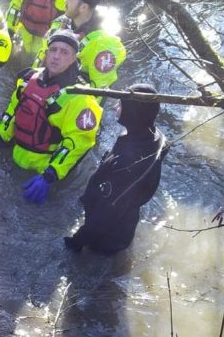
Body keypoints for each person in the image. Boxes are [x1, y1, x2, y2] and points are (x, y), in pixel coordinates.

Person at [0, 29, 102, 204]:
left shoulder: (81, 98)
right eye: (53, 49)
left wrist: (50, 176)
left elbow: (78, 142)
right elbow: (12, 111)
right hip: (16, 156)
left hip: (43, 173)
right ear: (47, 52)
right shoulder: (29, 78)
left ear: (74, 58)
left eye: (64, 52)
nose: (56, 56)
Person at [65, 84, 169, 254]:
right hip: (124, 218)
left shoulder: (129, 164)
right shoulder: (153, 136)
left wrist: (77, 241)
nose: (115, 107)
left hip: (107, 239)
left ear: (134, 113)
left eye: (121, 105)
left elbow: (108, 212)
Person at [32, 0, 126, 90]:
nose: (66, 1)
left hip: (68, 97)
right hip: (42, 86)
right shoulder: (60, 23)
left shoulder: (104, 44)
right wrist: (31, 80)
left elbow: (98, 90)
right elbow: (43, 54)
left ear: (83, 7)